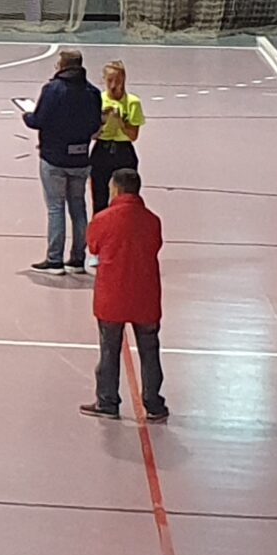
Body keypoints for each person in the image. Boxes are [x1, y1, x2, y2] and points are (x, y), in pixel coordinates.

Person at [80, 169, 166, 420]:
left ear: (115, 190)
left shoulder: (102, 219)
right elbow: (154, 246)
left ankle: (107, 401)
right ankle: (153, 402)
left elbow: (93, 247)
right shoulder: (153, 220)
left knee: (109, 349)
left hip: (112, 295)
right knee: (150, 350)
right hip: (146, 295)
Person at [21, 49, 101, 275]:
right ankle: (78, 258)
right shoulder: (92, 92)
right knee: (78, 207)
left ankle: (54, 259)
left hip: (54, 157)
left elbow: (39, 120)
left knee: (56, 208)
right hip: (81, 157)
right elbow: (96, 124)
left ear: (63, 65)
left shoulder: (53, 90)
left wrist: (27, 116)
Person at [89, 60, 143, 216]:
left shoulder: (133, 102)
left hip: (123, 152)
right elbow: (91, 134)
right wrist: (102, 122)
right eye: (110, 80)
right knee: (99, 199)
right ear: (104, 80)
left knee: (126, 200)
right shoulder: (98, 100)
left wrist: (120, 122)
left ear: (124, 79)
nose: (113, 84)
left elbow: (133, 136)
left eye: (117, 80)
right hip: (102, 150)